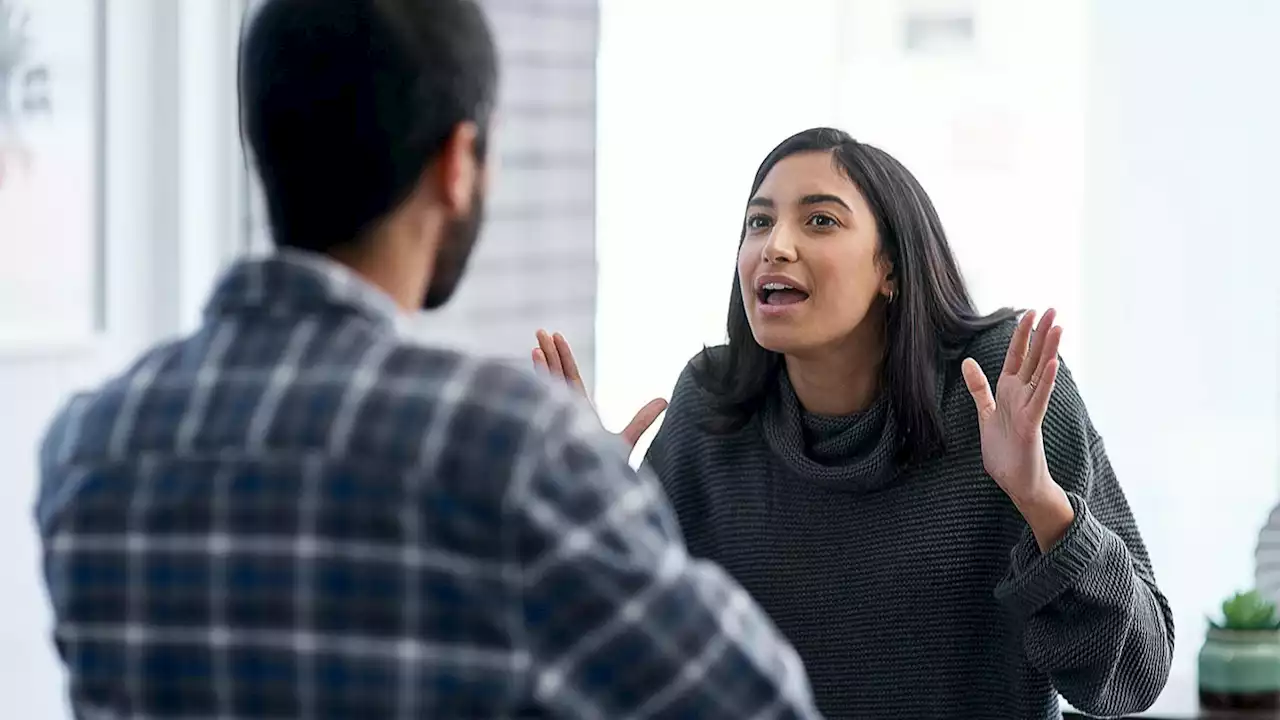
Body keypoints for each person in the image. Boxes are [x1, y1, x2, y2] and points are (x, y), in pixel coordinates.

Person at [32, 2, 823, 717]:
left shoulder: (85, 445)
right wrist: (606, 506)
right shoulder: (509, 449)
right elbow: (759, 706)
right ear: (457, 162)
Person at [534, 127, 1175, 719]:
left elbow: (1133, 677)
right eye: (759, 222)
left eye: (819, 220)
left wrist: (1039, 501)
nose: (774, 246)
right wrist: (594, 517)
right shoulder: (713, 406)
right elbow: (629, 664)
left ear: (889, 267)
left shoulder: (1004, 390)